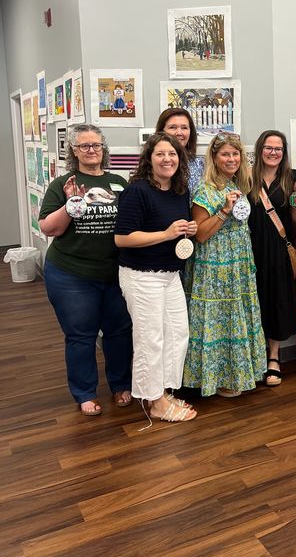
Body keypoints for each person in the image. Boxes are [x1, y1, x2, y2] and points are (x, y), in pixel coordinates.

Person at [39, 123, 133, 416]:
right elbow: (49, 228)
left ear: (104, 149)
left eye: (96, 145)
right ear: (74, 151)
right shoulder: (63, 183)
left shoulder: (118, 182)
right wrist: (70, 204)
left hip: (115, 273)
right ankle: (85, 393)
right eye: (84, 145)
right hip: (71, 274)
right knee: (81, 335)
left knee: (119, 332)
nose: (91, 150)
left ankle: (121, 384)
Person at [114, 133, 197, 423]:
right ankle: (155, 402)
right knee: (150, 340)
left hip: (170, 274)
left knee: (177, 334)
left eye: (172, 154)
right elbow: (122, 238)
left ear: (180, 158)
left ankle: (163, 392)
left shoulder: (180, 190)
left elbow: (174, 230)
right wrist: (166, 234)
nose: (167, 159)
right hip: (141, 276)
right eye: (160, 154)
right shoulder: (137, 191)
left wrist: (187, 230)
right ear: (149, 158)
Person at [183, 134, 266, 397]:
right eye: (225, 154)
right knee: (218, 318)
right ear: (214, 158)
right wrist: (224, 210)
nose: (231, 159)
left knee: (235, 315)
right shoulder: (205, 190)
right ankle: (216, 378)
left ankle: (236, 374)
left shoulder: (236, 184)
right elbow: (200, 234)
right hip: (215, 264)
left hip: (238, 261)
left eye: (235, 154)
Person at [248, 130, 296, 386]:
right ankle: (252, 356)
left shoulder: (293, 177)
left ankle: (273, 356)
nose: (273, 152)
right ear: (260, 149)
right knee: (253, 302)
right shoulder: (246, 178)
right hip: (249, 249)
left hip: (280, 251)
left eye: (278, 149)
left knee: (277, 301)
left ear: (284, 152)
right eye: (268, 147)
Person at [155, 107, 202, 197]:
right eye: (173, 127)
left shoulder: (200, 165)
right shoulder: (155, 164)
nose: (179, 133)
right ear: (161, 131)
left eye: (184, 128)